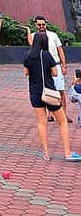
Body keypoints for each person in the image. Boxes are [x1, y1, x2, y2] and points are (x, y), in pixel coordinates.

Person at [23, 31, 80, 162]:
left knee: (41, 123)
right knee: (63, 121)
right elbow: (55, 73)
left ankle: (46, 153)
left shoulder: (28, 56)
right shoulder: (47, 55)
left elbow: (26, 73)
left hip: (35, 93)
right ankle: (67, 152)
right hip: (49, 93)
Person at [27, 17, 68, 120]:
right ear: (36, 25)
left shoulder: (53, 35)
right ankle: (50, 114)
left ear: (46, 24)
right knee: (46, 89)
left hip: (56, 65)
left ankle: (64, 114)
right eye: (39, 24)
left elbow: (60, 50)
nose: (41, 27)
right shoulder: (34, 36)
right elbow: (31, 45)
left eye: (43, 24)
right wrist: (28, 31)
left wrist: (64, 65)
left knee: (60, 90)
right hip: (42, 67)